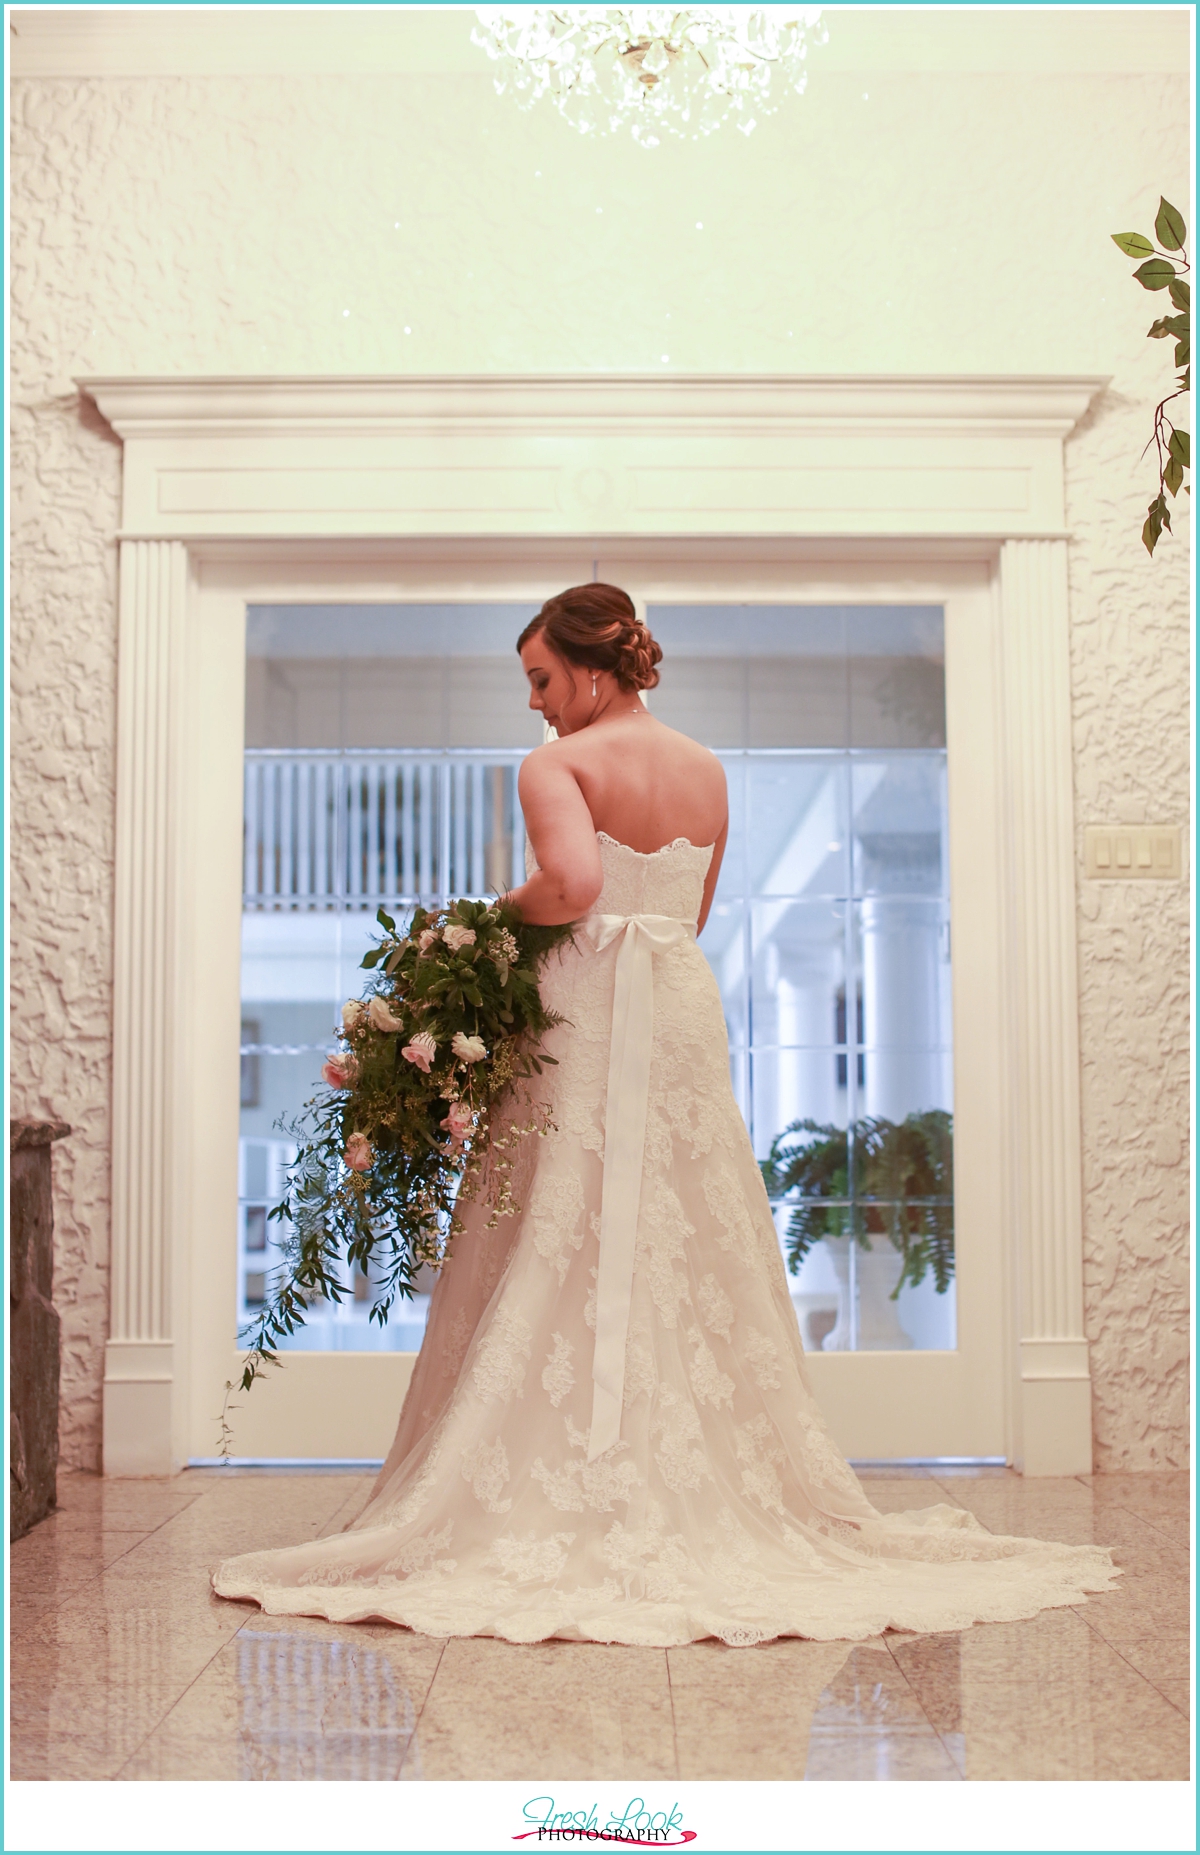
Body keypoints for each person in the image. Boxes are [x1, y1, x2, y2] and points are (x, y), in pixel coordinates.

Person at [214, 585, 1117, 1646]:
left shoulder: (557, 768)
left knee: (561, 1210)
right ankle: (687, 1469)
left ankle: (564, 1469)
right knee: (682, 1216)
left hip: (590, 1002)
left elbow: (572, 883)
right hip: (678, 1000)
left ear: (593, 669)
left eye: (543, 680)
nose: (539, 706)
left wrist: (469, 923)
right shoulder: (705, 768)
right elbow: (691, 910)